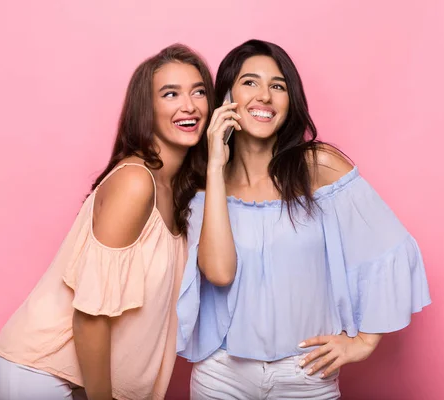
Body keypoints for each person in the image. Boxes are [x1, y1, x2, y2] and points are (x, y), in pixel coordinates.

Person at [177, 39, 431, 399]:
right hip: (222, 375)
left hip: (306, 374)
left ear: (289, 101)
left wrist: (364, 341)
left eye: (277, 86)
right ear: (226, 98)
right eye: (250, 82)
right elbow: (219, 272)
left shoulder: (319, 167)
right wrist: (216, 164)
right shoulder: (206, 185)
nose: (264, 95)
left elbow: (390, 248)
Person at [0, 43, 214, 400]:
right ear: (147, 109)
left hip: (92, 383)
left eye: (199, 92)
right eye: (170, 94)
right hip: (44, 372)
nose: (189, 105)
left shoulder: (182, 189)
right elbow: (90, 316)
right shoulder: (135, 182)